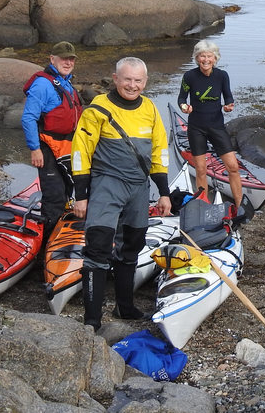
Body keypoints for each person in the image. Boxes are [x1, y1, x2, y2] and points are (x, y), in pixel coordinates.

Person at [71, 57, 172, 331]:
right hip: (107, 184)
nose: (132, 85)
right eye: (127, 79)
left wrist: (164, 192)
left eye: (138, 80)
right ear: (115, 79)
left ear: (145, 82)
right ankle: (91, 320)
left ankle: (124, 307)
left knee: (132, 246)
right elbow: (81, 151)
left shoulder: (150, 108)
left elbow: (159, 151)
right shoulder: (98, 109)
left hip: (139, 188)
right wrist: (80, 195)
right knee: (98, 247)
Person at [21, 41, 83, 245]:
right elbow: (28, 118)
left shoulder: (66, 83)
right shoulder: (42, 84)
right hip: (47, 148)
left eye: (71, 59)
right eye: (64, 58)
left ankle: (59, 232)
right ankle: (46, 243)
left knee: (66, 189)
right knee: (54, 196)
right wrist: (35, 149)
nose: (68, 62)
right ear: (52, 59)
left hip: (64, 146)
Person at [177, 40, 243, 211]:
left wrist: (229, 106)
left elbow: (228, 97)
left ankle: (240, 205)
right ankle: (203, 207)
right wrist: (184, 107)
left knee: (233, 167)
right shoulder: (189, 76)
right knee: (200, 169)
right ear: (197, 58)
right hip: (196, 127)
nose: (205, 60)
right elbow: (182, 98)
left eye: (209, 56)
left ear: (215, 58)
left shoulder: (222, 76)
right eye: (201, 56)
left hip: (216, 127)